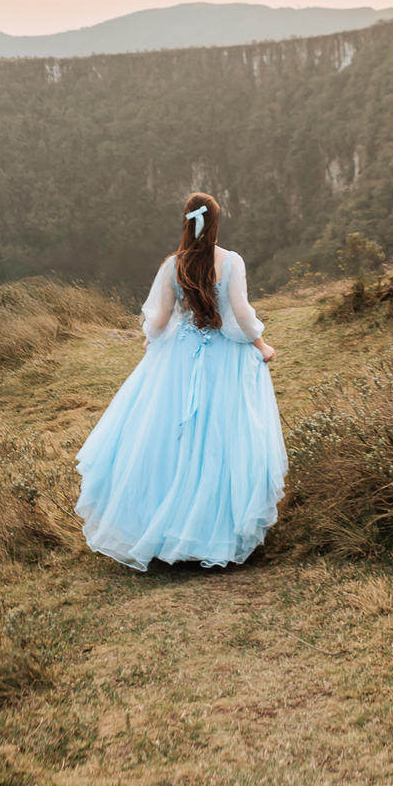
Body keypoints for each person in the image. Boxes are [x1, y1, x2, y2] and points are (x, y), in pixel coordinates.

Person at [74, 192, 287, 570]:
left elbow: (158, 319)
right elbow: (240, 312)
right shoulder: (231, 261)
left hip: (180, 355)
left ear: (186, 222)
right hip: (224, 357)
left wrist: (153, 339)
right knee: (220, 437)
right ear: (216, 222)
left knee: (167, 437)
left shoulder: (173, 265)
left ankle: (160, 530)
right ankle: (212, 532)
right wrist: (261, 344)